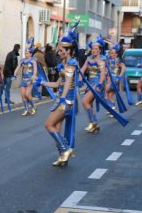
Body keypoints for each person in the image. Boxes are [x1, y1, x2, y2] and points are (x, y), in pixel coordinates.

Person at [41, 29, 78, 167]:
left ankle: (66, 150)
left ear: (68, 51)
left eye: (62, 50)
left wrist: (62, 98)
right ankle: (63, 156)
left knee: (48, 125)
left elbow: (68, 81)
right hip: (62, 99)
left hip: (65, 100)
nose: (59, 52)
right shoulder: (64, 64)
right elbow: (57, 83)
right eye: (59, 50)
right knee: (56, 127)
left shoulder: (72, 62)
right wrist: (42, 82)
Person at [79, 36, 106, 132]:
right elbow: (82, 70)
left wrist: (100, 84)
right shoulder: (89, 59)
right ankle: (95, 124)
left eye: (96, 49)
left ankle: (93, 122)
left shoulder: (101, 60)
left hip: (97, 84)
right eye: (93, 49)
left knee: (85, 102)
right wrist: (80, 79)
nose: (94, 51)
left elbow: (102, 73)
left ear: (99, 51)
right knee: (89, 104)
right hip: (90, 83)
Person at [15, 48, 37, 116]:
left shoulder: (33, 61)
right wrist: (14, 74)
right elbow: (18, 67)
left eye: (27, 53)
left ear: (31, 54)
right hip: (23, 80)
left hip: (30, 80)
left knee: (27, 94)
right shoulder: (22, 61)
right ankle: (26, 109)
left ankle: (33, 106)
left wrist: (33, 76)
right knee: (23, 95)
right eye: (25, 53)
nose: (26, 55)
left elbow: (35, 70)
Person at [104, 42, 126, 112]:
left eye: (114, 53)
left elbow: (124, 67)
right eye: (111, 53)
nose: (112, 54)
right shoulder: (110, 60)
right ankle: (113, 108)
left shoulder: (117, 60)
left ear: (116, 54)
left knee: (104, 95)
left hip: (113, 80)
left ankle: (111, 109)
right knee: (110, 96)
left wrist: (119, 76)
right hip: (110, 81)